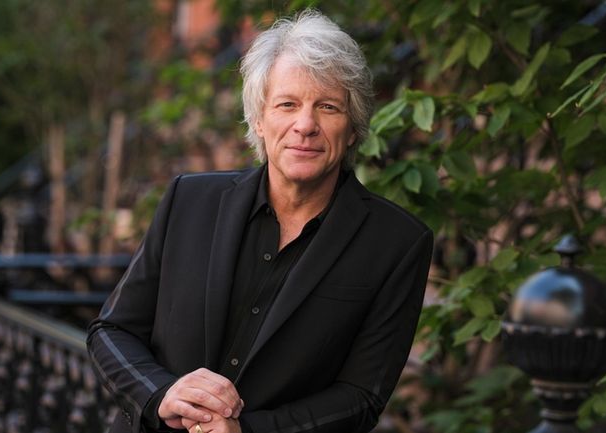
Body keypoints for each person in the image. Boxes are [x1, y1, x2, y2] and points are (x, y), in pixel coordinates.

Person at [87, 10, 433, 433]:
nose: (305, 125)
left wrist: (247, 431)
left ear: (354, 129)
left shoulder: (397, 243)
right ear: (259, 121)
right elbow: (112, 330)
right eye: (287, 104)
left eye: (327, 107)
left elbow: (363, 396)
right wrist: (162, 393)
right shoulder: (189, 200)